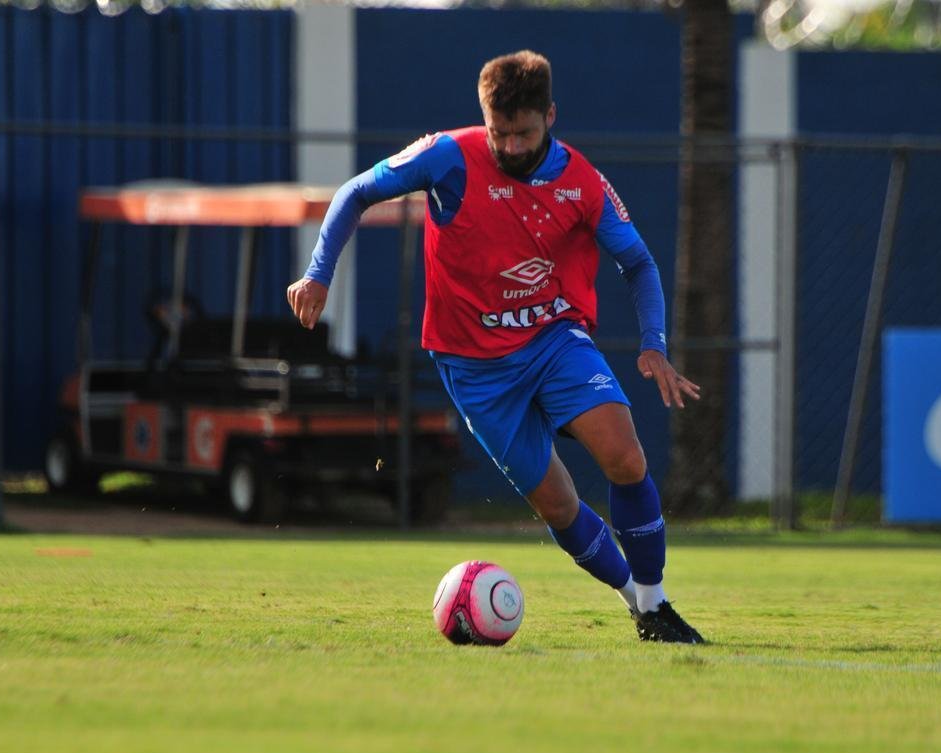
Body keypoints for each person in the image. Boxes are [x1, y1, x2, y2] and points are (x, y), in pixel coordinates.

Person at [287, 50, 705, 644]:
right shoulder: (447, 156)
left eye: (523, 133)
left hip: (553, 340)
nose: (509, 146)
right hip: (473, 368)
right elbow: (355, 193)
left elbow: (638, 262)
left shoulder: (582, 181)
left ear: (550, 116)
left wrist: (654, 344)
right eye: (498, 132)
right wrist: (318, 272)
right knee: (558, 505)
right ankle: (635, 604)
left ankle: (658, 602)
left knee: (625, 457)